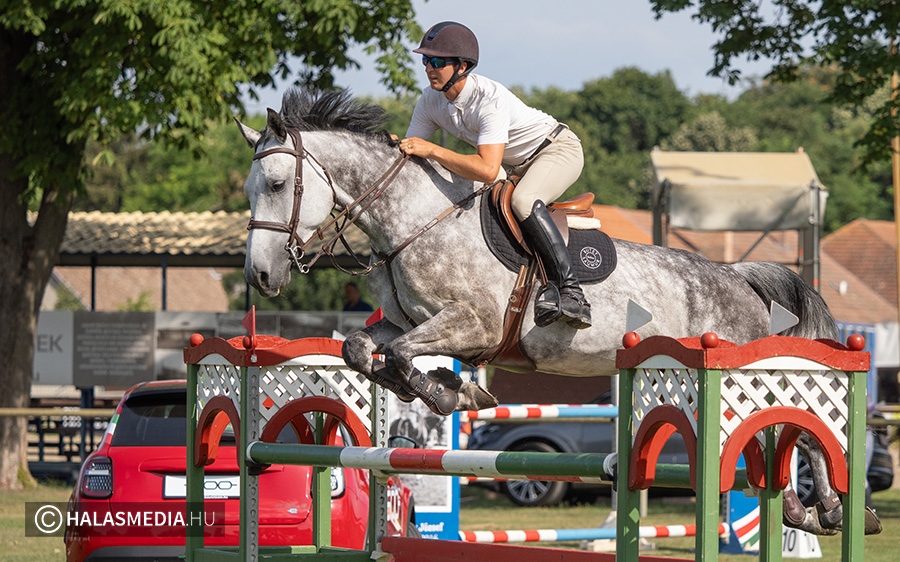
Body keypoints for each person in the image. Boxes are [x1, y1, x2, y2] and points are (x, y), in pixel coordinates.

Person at [399, 21, 591, 329]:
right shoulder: (430, 100)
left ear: (462, 66)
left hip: (555, 150)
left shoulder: (489, 99)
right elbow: (411, 152)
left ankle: (572, 293)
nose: (428, 68)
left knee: (524, 201)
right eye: (424, 60)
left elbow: (488, 169)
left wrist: (433, 150)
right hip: (513, 165)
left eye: (436, 61)